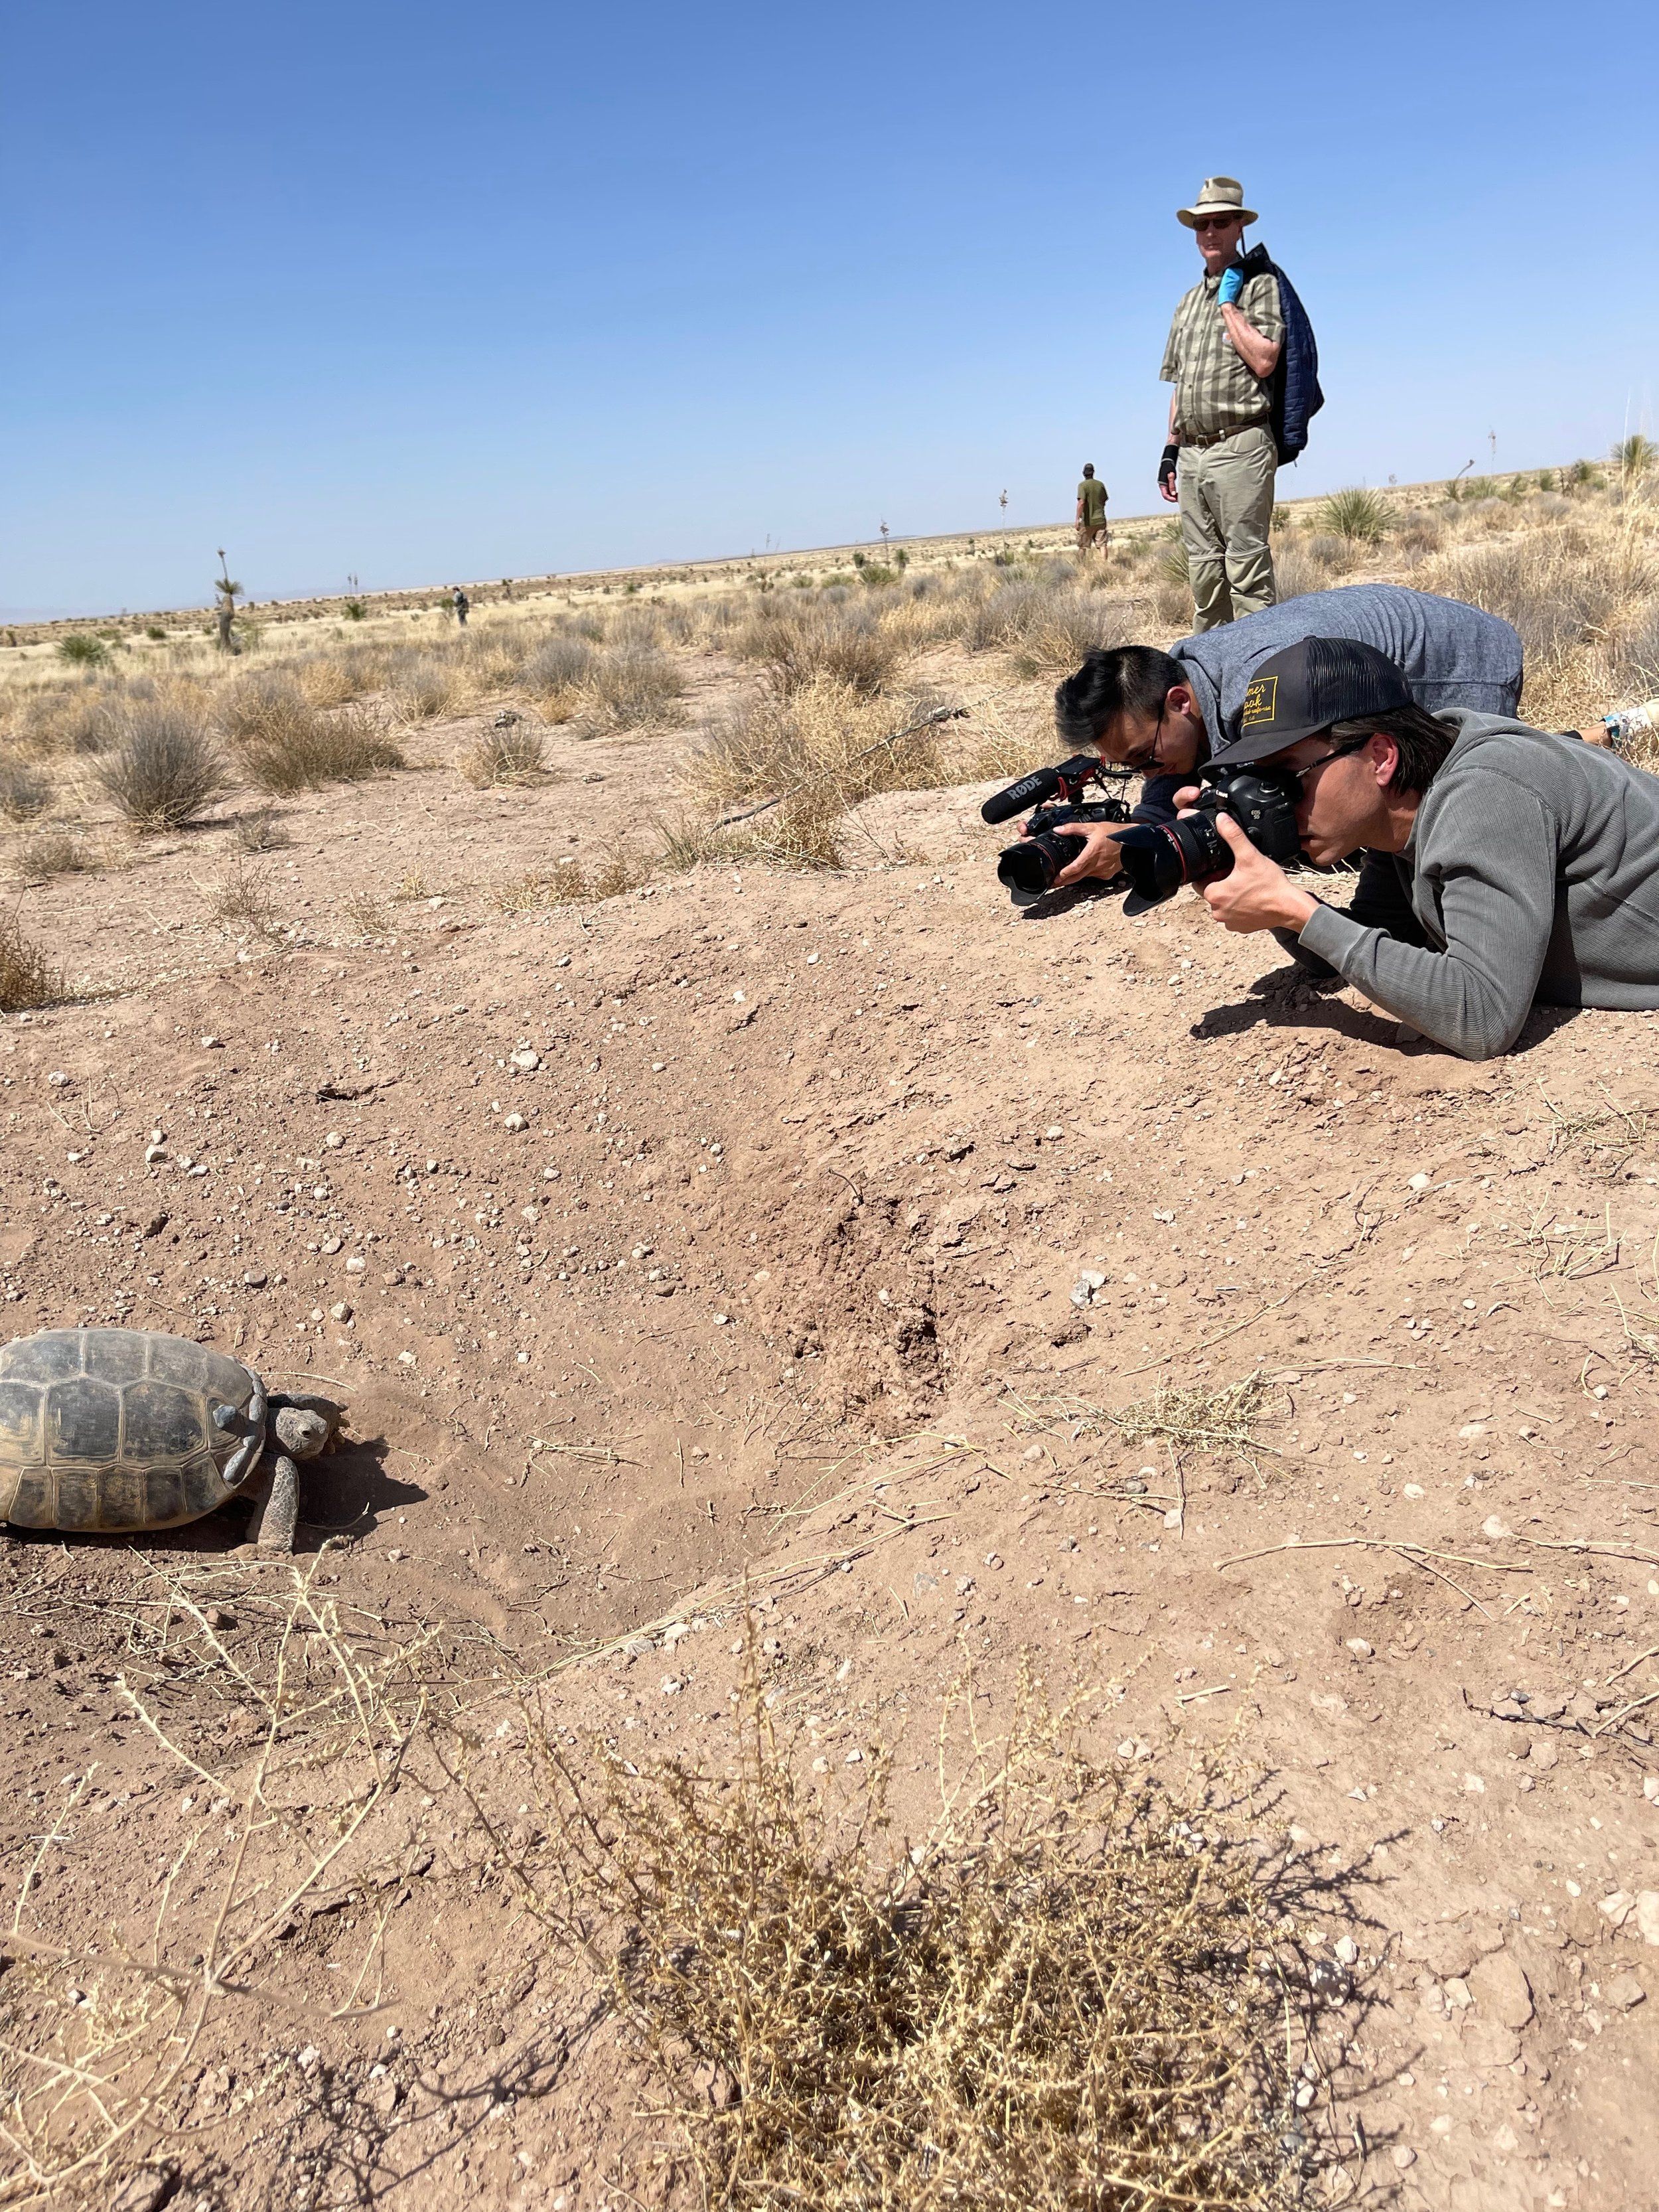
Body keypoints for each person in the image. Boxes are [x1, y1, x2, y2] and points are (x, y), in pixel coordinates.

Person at [1173, 635, 1659, 1061]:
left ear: (1381, 757)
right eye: (1259, 780)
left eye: (1287, 776)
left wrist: (1297, 910)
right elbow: (1368, 948)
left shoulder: (1485, 793)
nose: (1275, 800)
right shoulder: (1402, 812)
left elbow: (1483, 1017)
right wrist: (1259, 883)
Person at [1044, 584, 1524, 888]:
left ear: (1179, 702)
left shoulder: (1256, 692)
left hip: (1459, 664)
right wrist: (1134, 830)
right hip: (1399, 651)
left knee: (1470, 804)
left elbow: (1274, 813)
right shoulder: (1174, 684)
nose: (1146, 773)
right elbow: (1176, 763)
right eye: (1129, 768)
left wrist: (1142, 844)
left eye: (1143, 759)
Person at [1158, 177, 1281, 630]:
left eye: (1221, 222)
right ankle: (1212, 684)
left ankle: (1262, 689)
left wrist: (1230, 307)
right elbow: (1179, 383)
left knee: (1248, 578)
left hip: (1240, 447)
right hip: (1192, 455)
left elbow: (1266, 359)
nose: (1210, 232)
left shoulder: (1261, 287)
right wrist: (1170, 451)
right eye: (1202, 224)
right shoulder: (1186, 304)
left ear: (1238, 228)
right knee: (1205, 580)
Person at [1076, 465, 1108, 554]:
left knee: (1082, 546)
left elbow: (1081, 502)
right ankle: (1104, 565)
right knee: (1102, 544)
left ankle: (1081, 566)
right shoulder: (1100, 485)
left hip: (1087, 522)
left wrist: (1077, 519)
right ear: (1093, 472)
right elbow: (1104, 499)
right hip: (1100, 520)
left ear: (1084, 474)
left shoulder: (1082, 486)